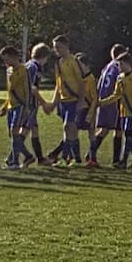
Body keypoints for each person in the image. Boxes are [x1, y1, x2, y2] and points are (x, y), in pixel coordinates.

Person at [96, 51, 132, 168]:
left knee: (128, 134)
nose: (118, 68)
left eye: (120, 65)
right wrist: (102, 103)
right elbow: (116, 95)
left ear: (126, 64)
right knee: (128, 134)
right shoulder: (120, 78)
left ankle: (123, 161)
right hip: (123, 111)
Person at [87, 44, 128, 168]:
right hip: (113, 102)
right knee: (118, 130)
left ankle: (91, 153)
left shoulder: (107, 67)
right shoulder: (118, 68)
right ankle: (114, 159)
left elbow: (99, 84)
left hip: (103, 100)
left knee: (105, 130)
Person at [50, 35, 85, 166]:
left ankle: (65, 158)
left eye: (58, 47)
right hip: (63, 100)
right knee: (71, 129)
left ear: (66, 46)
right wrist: (55, 101)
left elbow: (81, 82)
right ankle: (76, 159)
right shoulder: (59, 63)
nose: (56, 50)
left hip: (73, 99)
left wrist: (81, 100)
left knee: (67, 126)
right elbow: (58, 84)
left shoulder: (73, 62)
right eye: (55, 48)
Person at [0, 46, 34, 170]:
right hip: (11, 107)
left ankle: (14, 162)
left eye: (7, 59)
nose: (5, 62)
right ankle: (28, 156)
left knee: (15, 131)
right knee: (12, 134)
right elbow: (10, 91)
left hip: (21, 106)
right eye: (4, 60)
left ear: (14, 57)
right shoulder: (8, 71)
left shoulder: (24, 70)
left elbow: (28, 90)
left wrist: (27, 107)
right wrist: (4, 106)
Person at [24, 43, 53, 165]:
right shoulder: (35, 67)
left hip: (27, 102)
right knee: (24, 130)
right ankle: (15, 157)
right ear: (45, 56)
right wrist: (44, 103)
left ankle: (40, 158)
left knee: (34, 129)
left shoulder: (28, 65)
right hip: (30, 104)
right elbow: (33, 88)